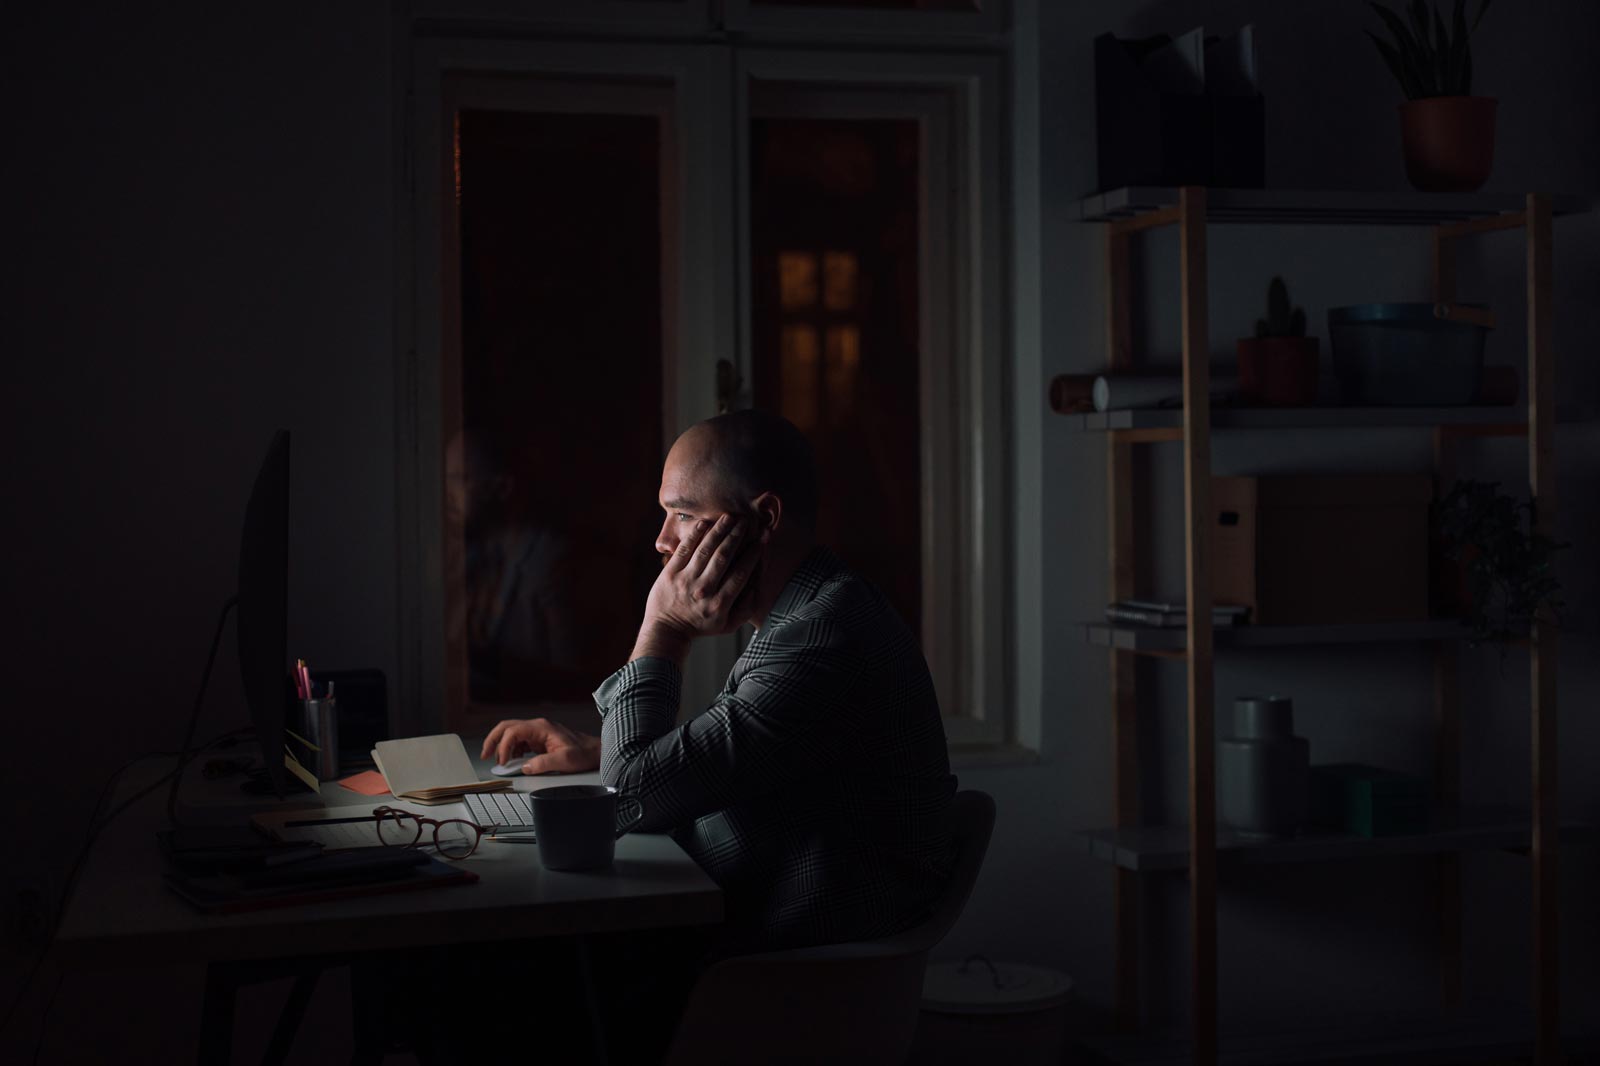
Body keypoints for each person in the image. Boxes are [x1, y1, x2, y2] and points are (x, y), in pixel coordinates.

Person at [483, 407, 956, 971]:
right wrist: (599, 748)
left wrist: (665, 628)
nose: (662, 541)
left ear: (765, 518)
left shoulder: (822, 638)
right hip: (743, 934)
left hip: (778, 978)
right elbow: (722, 757)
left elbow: (633, 793)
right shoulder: (807, 610)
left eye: (682, 514)